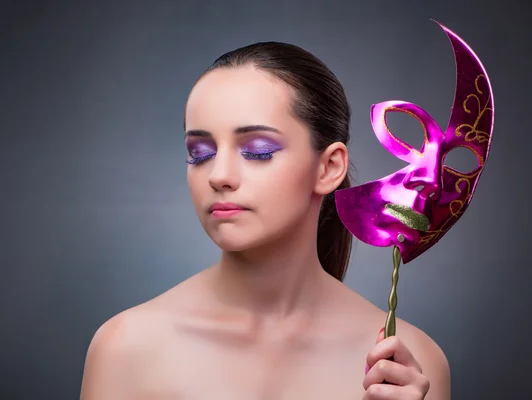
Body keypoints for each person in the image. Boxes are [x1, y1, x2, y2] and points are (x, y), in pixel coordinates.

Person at [80, 41, 450, 399]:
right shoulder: (127, 348)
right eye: (200, 153)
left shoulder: (405, 365)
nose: (218, 175)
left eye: (257, 151)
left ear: (329, 167)